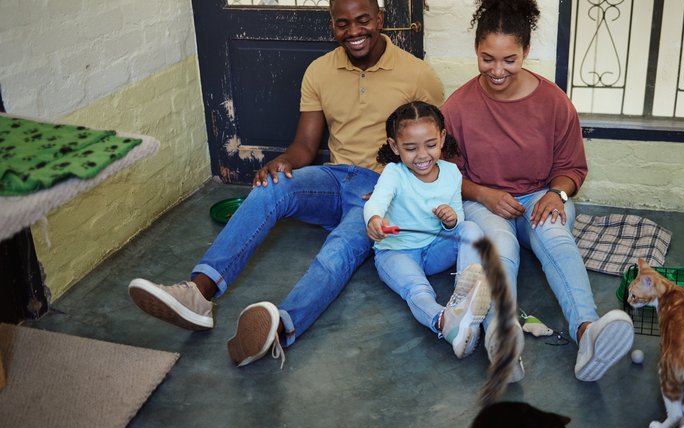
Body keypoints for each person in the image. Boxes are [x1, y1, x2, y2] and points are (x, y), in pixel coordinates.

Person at [127, 0, 444, 368]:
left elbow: (434, 149)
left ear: (380, 20)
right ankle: (199, 293)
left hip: (381, 188)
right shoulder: (319, 71)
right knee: (273, 186)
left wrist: (400, 192)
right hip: (334, 178)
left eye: (363, 21)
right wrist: (281, 162)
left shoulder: (418, 74)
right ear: (332, 27)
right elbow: (306, 146)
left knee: (340, 247)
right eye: (343, 24)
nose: (354, 31)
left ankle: (279, 328)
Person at [441, 0, 633, 382]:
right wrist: (483, 194)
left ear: (526, 52)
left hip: (539, 196)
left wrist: (555, 195)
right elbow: (446, 175)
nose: (497, 70)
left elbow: (571, 169)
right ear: (476, 51)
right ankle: (502, 334)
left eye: (509, 59)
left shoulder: (555, 103)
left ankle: (588, 332)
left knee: (556, 237)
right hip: (485, 200)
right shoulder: (458, 107)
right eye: (487, 58)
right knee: (500, 244)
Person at [364, 101, 491, 360]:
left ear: (442, 138)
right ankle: (445, 323)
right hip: (396, 253)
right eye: (410, 148)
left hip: (434, 250)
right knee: (417, 290)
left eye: (430, 145)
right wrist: (374, 219)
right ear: (394, 146)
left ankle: (461, 300)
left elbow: (457, 220)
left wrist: (450, 219)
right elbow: (377, 201)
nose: (422, 155)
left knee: (470, 228)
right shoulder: (394, 173)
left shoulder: (451, 172)